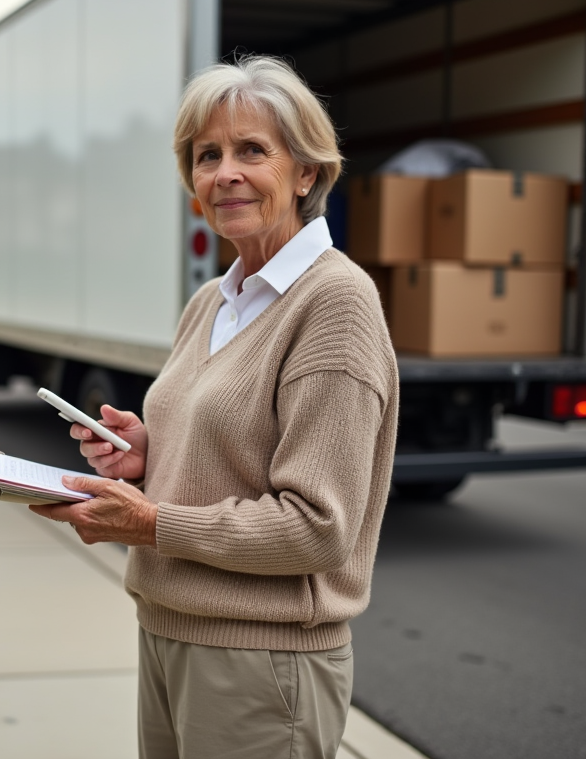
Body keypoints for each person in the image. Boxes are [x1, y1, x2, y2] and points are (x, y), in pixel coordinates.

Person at [29, 55, 398, 758]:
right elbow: (228, 454)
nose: (223, 172)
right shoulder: (212, 300)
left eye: (251, 150)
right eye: (206, 155)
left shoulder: (335, 305)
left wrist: (149, 521)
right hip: (169, 630)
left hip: (261, 662)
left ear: (306, 173)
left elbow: (317, 528)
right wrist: (146, 456)